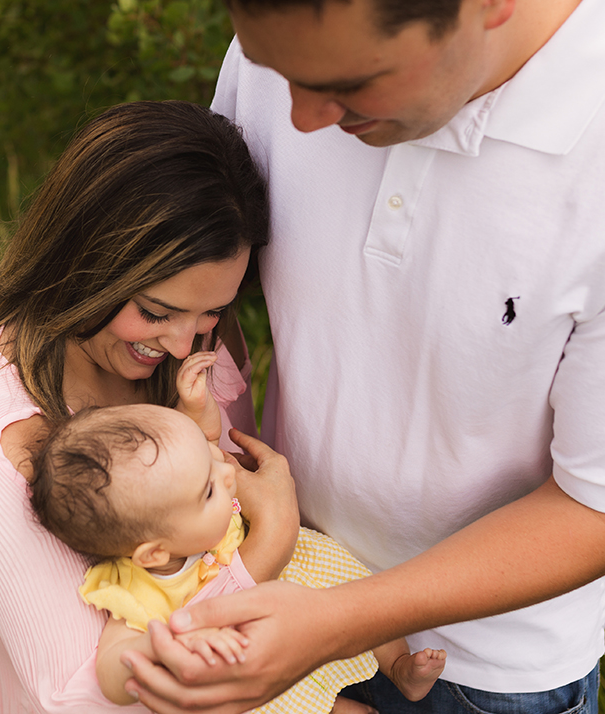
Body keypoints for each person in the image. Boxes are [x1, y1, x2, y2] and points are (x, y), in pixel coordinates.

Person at [121, 0, 605, 712]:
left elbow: (592, 507)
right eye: (280, 75)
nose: (302, 122)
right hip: (268, 583)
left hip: (482, 673)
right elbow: (203, 279)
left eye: (352, 84)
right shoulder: (294, 49)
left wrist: (336, 622)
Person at [0, 100, 284, 713]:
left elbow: (221, 509)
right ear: (82, 260)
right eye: (156, 312)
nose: (182, 345)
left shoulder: (200, 348)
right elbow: (84, 701)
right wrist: (267, 550)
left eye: (213, 311)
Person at [29, 352, 447, 711]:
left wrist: (195, 409)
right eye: (209, 488)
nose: (228, 476)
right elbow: (111, 671)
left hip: (311, 579)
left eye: (211, 460)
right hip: (266, 659)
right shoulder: (142, 589)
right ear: (153, 553)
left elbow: (205, 440)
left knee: (362, 600)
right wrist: (153, 647)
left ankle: (397, 667)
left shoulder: (179, 483)